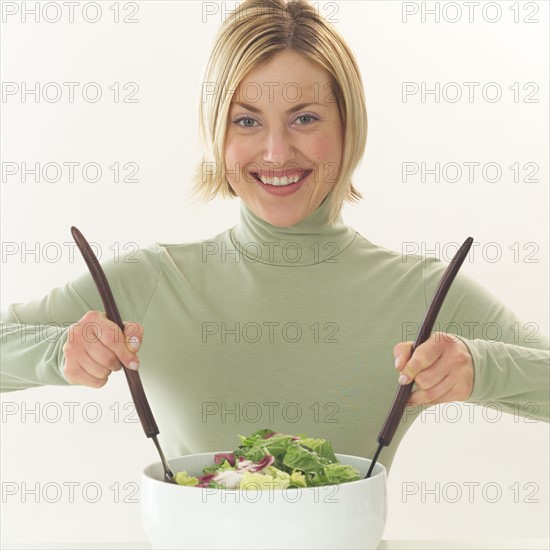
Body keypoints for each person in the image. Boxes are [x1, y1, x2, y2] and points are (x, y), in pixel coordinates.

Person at [1, 0, 548, 473]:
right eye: (247, 121)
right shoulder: (149, 282)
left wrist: (483, 367)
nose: (276, 153)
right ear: (217, 132)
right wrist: (58, 353)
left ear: (348, 124)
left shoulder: (423, 295)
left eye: (305, 118)